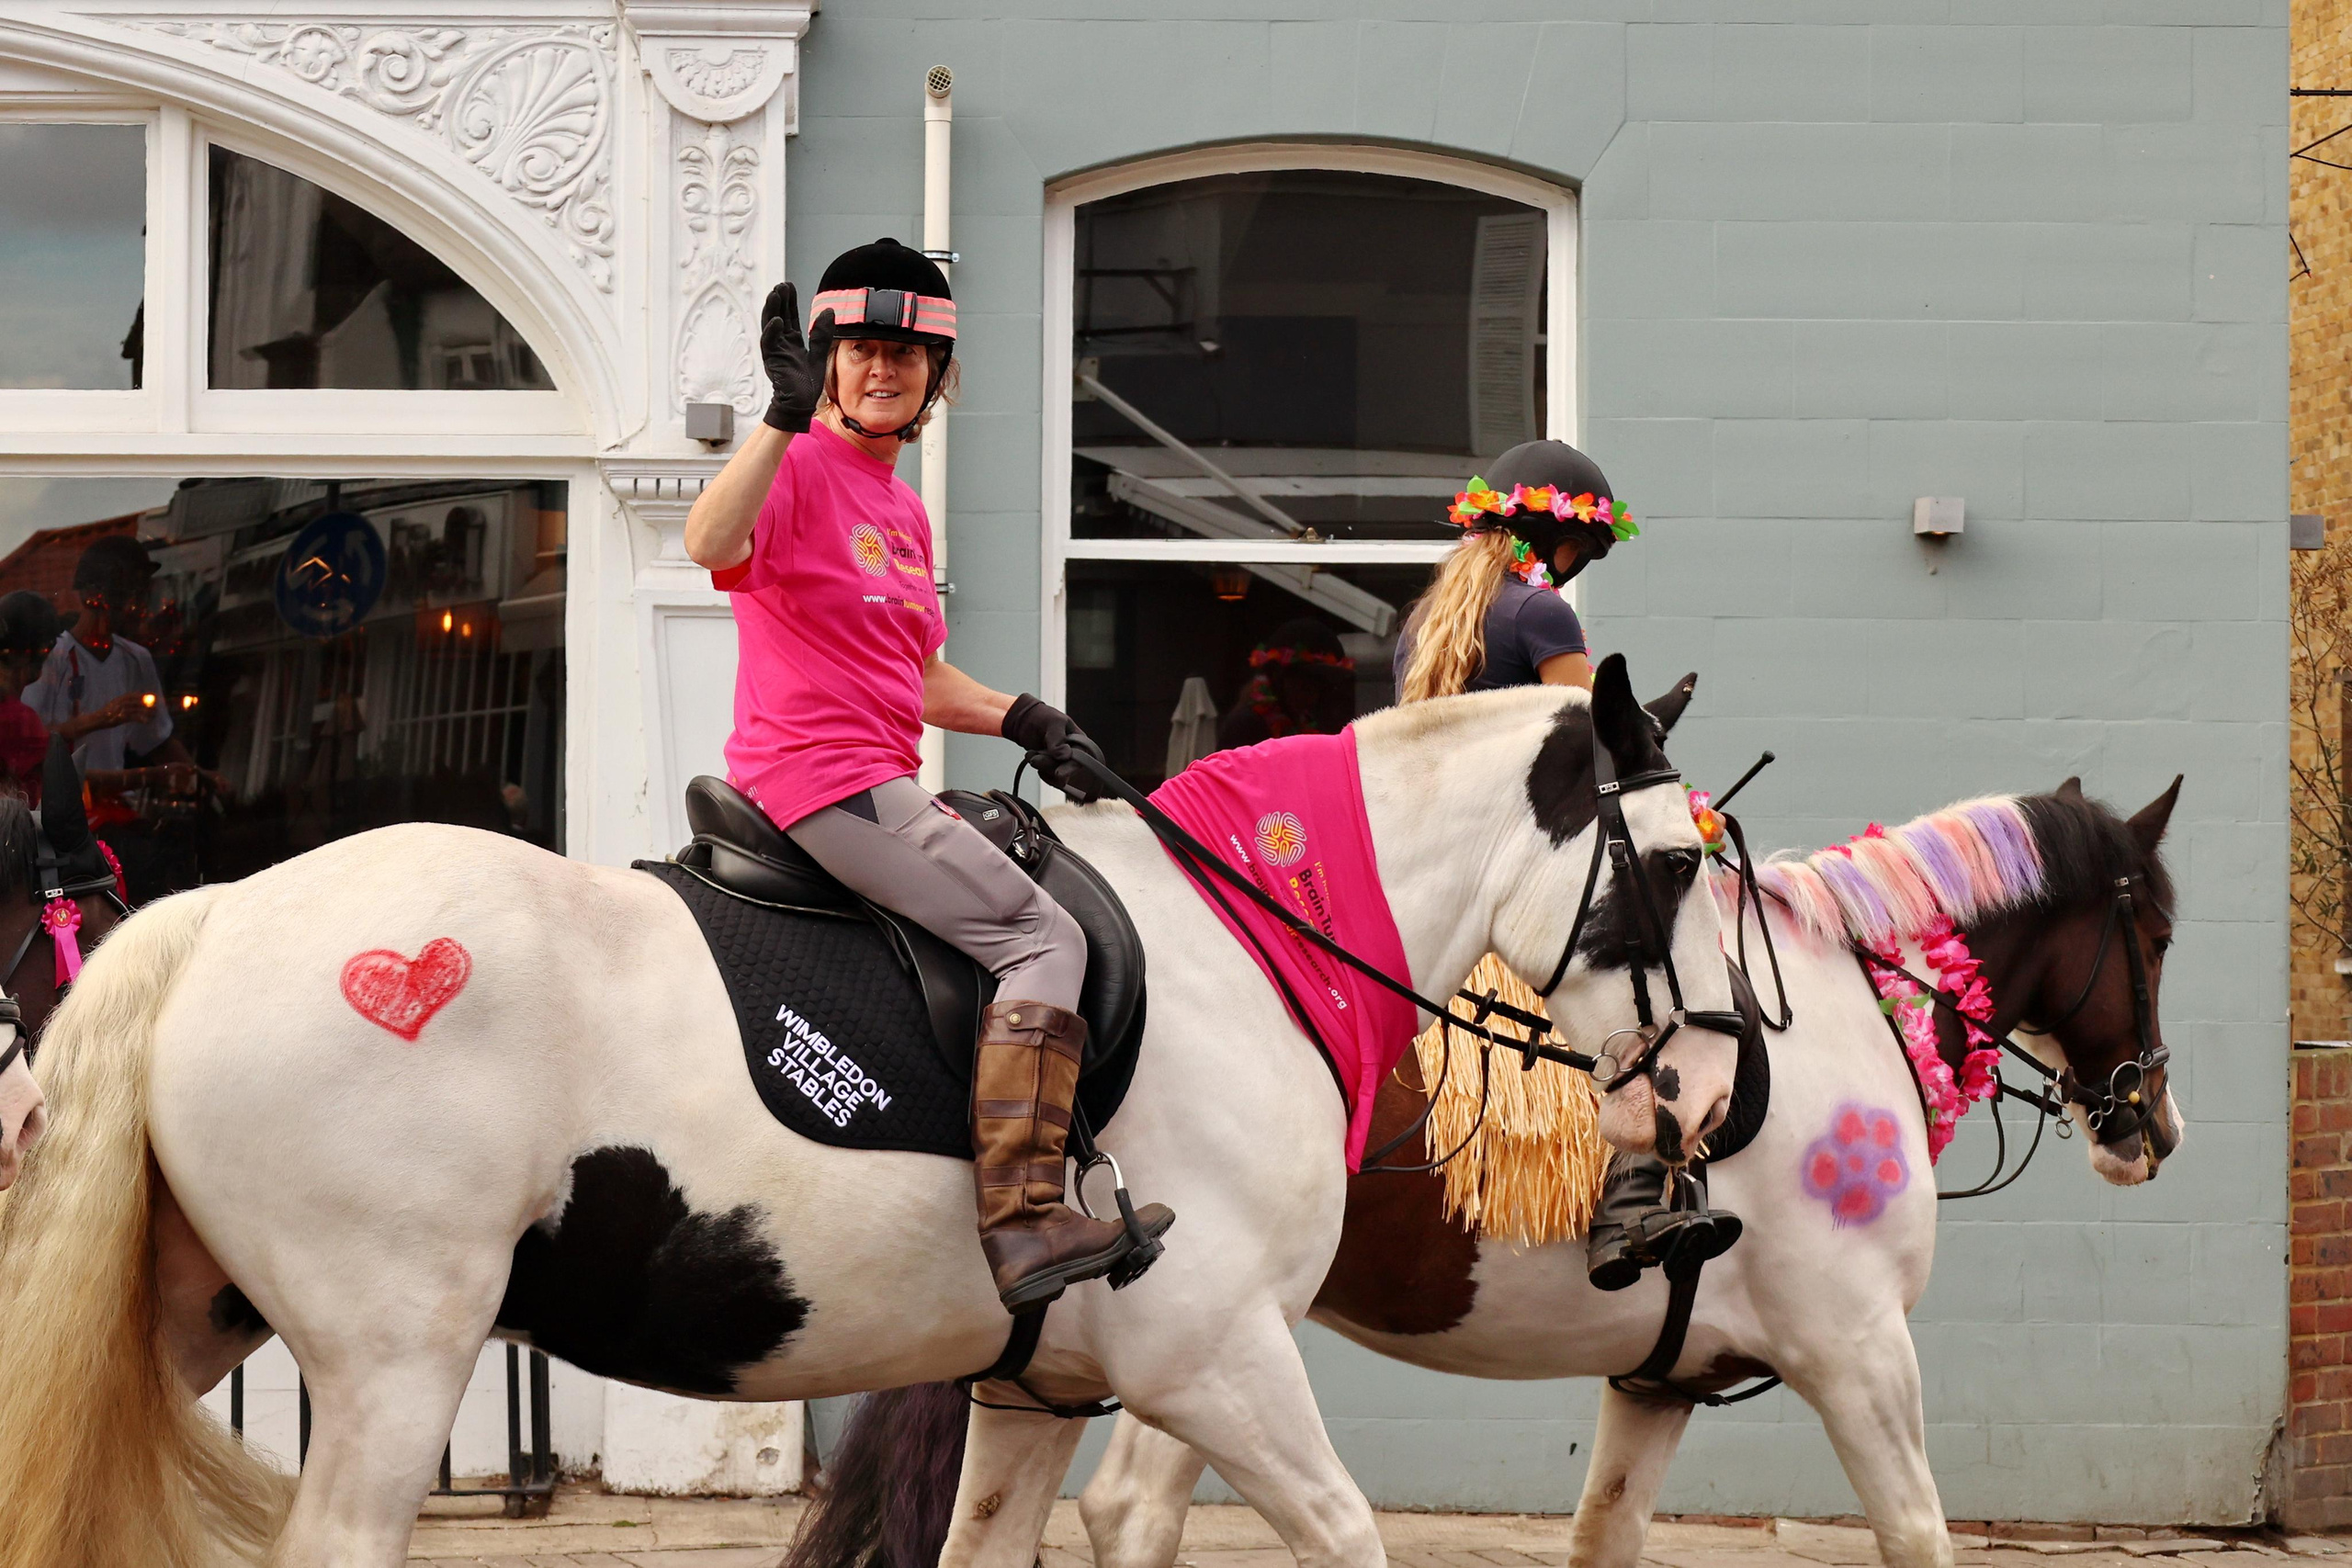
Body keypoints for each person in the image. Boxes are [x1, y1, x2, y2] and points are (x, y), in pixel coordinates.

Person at [684, 239, 1172, 1313]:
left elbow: (918, 676)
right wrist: (778, 418)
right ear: (827, 363)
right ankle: (1025, 1220)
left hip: (874, 774)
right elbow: (707, 542)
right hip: (822, 780)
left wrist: (1026, 718)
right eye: (860, 349)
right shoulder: (797, 466)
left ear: (935, 376)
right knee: (1045, 938)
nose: (881, 369)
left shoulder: (898, 508)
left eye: (906, 355)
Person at [1393, 439, 1736, 1292]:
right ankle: (1631, 1202)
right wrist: (1688, 812)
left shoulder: (1428, 623)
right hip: (1526, 864)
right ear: (1552, 537)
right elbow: (1596, 749)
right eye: (1578, 548)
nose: (1574, 567)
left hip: (1445, 873)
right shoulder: (1542, 614)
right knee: (1651, 993)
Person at [23, 536, 220, 900]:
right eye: (130, 592)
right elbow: (32, 742)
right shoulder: (55, 658)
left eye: (142, 593)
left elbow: (159, 740)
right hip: (63, 815)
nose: (139, 605)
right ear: (95, 595)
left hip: (113, 810)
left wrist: (200, 777)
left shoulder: (136, 659)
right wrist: (100, 719)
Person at [1216, 617, 1357, 751]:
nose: (1312, 697)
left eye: (1320, 687)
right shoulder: (1246, 726)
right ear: (1277, 676)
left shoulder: (1306, 723)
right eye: (1305, 687)